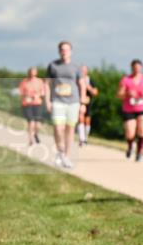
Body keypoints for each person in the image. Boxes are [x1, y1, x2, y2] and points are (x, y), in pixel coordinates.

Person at [44, 41, 83, 169]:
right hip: (58, 101)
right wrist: (47, 101)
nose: (64, 51)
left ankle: (66, 156)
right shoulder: (53, 66)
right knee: (58, 128)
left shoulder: (76, 67)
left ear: (70, 51)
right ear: (59, 51)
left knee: (70, 130)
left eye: (66, 49)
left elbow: (82, 84)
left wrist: (82, 103)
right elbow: (46, 84)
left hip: (73, 102)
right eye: (62, 49)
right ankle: (60, 151)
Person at [118, 59, 143, 162]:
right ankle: (130, 146)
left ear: (141, 68)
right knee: (130, 133)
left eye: (138, 68)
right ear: (132, 68)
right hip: (129, 109)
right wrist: (127, 94)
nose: (137, 70)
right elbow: (119, 94)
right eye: (135, 68)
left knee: (142, 131)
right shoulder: (126, 80)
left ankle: (139, 152)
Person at [18, 67, 44, 145]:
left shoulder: (40, 81)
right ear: (28, 73)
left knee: (37, 124)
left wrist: (37, 95)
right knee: (31, 122)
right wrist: (26, 96)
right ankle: (30, 140)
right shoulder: (24, 82)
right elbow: (21, 93)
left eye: (33, 72)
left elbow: (42, 93)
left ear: (36, 73)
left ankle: (36, 134)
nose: (32, 74)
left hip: (37, 103)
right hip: (27, 104)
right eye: (30, 72)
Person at [76, 65, 99, 147]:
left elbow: (95, 92)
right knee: (80, 118)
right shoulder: (77, 80)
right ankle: (81, 139)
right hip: (79, 101)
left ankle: (85, 138)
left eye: (84, 70)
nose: (82, 71)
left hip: (88, 102)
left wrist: (88, 87)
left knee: (87, 121)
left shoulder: (90, 80)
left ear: (87, 71)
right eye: (81, 70)